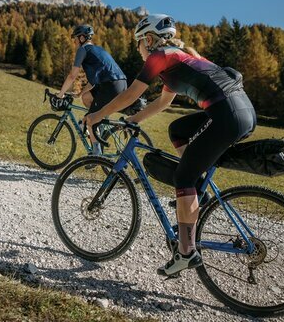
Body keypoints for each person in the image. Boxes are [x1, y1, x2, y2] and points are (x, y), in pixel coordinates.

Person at [84, 14, 256, 276]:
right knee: (178, 130)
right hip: (240, 111)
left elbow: (130, 94)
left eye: (138, 43)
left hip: (227, 115)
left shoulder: (160, 56)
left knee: (183, 177)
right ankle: (199, 190)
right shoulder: (177, 59)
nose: (138, 50)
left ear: (148, 39)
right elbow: (163, 103)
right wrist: (133, 119)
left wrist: (97, 115)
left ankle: (186, 252)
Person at [57, 24, 128, 155]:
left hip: (111, 86)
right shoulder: (97, 50)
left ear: (82, 38)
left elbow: (72, 75)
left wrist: (60, 94)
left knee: (91, 119)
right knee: (86, 97)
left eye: (75, 39)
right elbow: (93, 82)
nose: (74, 42)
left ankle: (96, 155)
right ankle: (97, 124)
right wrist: (80, 93)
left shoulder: (82, 50)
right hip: (120, 84)